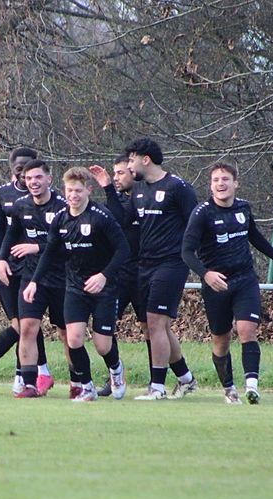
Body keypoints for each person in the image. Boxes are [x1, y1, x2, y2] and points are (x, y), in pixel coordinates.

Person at [181, 161, 273, 404]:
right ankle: (229, 389)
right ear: (210, 185)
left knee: (246, 329)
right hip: (216, 285)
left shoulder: (243, 208)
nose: (220, 184)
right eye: (215, 180)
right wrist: (206, 274)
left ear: (236, 183)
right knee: (221, 340)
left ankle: (251, 386)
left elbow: (254, 235)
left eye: (225, 179)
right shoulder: (202, 213)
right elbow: (187, 252)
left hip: (244, 279)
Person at [100, 138, 199, 400]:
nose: (129, 165)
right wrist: (108, 189)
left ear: (146, 159)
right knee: (158, 326)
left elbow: (196, 224)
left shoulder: (178, 187)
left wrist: (197, 259)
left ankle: (157, 387)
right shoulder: (140, 190)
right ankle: (186, 379)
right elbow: (122, 220)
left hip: (171, 264)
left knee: (155, 322)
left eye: (132, 160)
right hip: (145, 265)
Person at [23, 167, 130, 401]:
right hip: (74, 287)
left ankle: (116, 370)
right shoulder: (61, 218)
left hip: (104, 288)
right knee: (73, 339)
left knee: (102, 345)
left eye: (78, 191)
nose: (73, 195)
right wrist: (34, 282)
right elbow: (49, 253)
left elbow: (123, 250)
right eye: (70, 190)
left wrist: (103, 276)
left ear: (88, 190)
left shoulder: (101, 217)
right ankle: (87, 387)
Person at [0, 147, 51, 396]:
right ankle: (5, 372)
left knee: (28, 324)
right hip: (7, 268)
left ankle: (19, 375)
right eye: (20, 169)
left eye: (30, 170)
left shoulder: (43, 198)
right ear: (13, 169)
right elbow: (0, 231)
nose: (26, 175)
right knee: (21, 325)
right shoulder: (4, 193)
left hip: (33, 268)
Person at [0, 159, 69, 398]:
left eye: (38, 177)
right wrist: (2, 259)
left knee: (67, 333)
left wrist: (36, 247)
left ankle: (79, 381)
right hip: (31, 278)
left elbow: (66, 244)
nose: (33, 182)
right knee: (27, 327)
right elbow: (11, 234)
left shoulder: (63, 207)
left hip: (61, 278)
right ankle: (29, 384)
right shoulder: (21, 206)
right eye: (29, 178)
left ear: (49, 179)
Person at [89, 155, 150, 397]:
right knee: (105, 328)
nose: (115, 178)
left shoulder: (144, 198)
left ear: (134, 172)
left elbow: (125, 218)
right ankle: (114, 376)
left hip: (144, 272)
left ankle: (159, 380)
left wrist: (106, 186)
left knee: (150, 327)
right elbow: (117, 219)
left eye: (120, 173)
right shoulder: (114, 201)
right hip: (119, 274)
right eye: (113, 174)